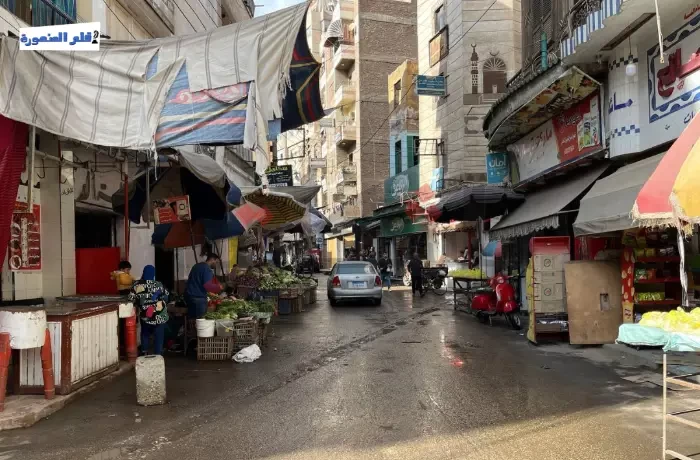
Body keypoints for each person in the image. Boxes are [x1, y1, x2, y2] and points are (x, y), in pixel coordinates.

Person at [129, 265, 169, 356]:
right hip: (160, 315)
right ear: (153, 274)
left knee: (145, 333)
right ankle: (158, 354)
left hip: (146, 315)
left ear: (143, 273)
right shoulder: (159, 284)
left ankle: (144, 352)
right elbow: (166, 297)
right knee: (159, 335)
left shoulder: (137, 285)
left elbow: (130, 299)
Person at [185, 254, 222, 319]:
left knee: (192, 320)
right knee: (200, 321)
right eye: (216, 262)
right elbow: (208, 286)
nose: (216, 265)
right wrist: (219, 287)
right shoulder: (207, 269)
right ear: (212, 259)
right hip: (198, 299)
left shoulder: (196, 266)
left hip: (189, 297)